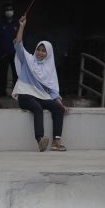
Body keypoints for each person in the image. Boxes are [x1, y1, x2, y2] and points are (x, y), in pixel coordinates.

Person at [12, 16, 69, 152]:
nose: (40, 52)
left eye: (44, 51)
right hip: (25, 95)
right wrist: (21, 26)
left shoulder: (49, 69)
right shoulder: (28, 60)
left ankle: (56, 141)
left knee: (58, 109)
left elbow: (53, 89)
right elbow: (18, 44)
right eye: (39, 49)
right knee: (37, 108)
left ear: (48, 54)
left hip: (40, 96)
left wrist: (59, 103)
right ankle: (40, 140)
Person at [0, 3, 19, 96]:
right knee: (2, 74)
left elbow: (20, 38)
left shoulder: (16, 23)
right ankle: (2, 93)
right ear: (5, 12)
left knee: (16, 74)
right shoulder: (0, 24)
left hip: (15, 53)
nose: (9, 12)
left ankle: (16, 92)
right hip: (3, 53)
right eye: (7, 10)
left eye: (11, 10)